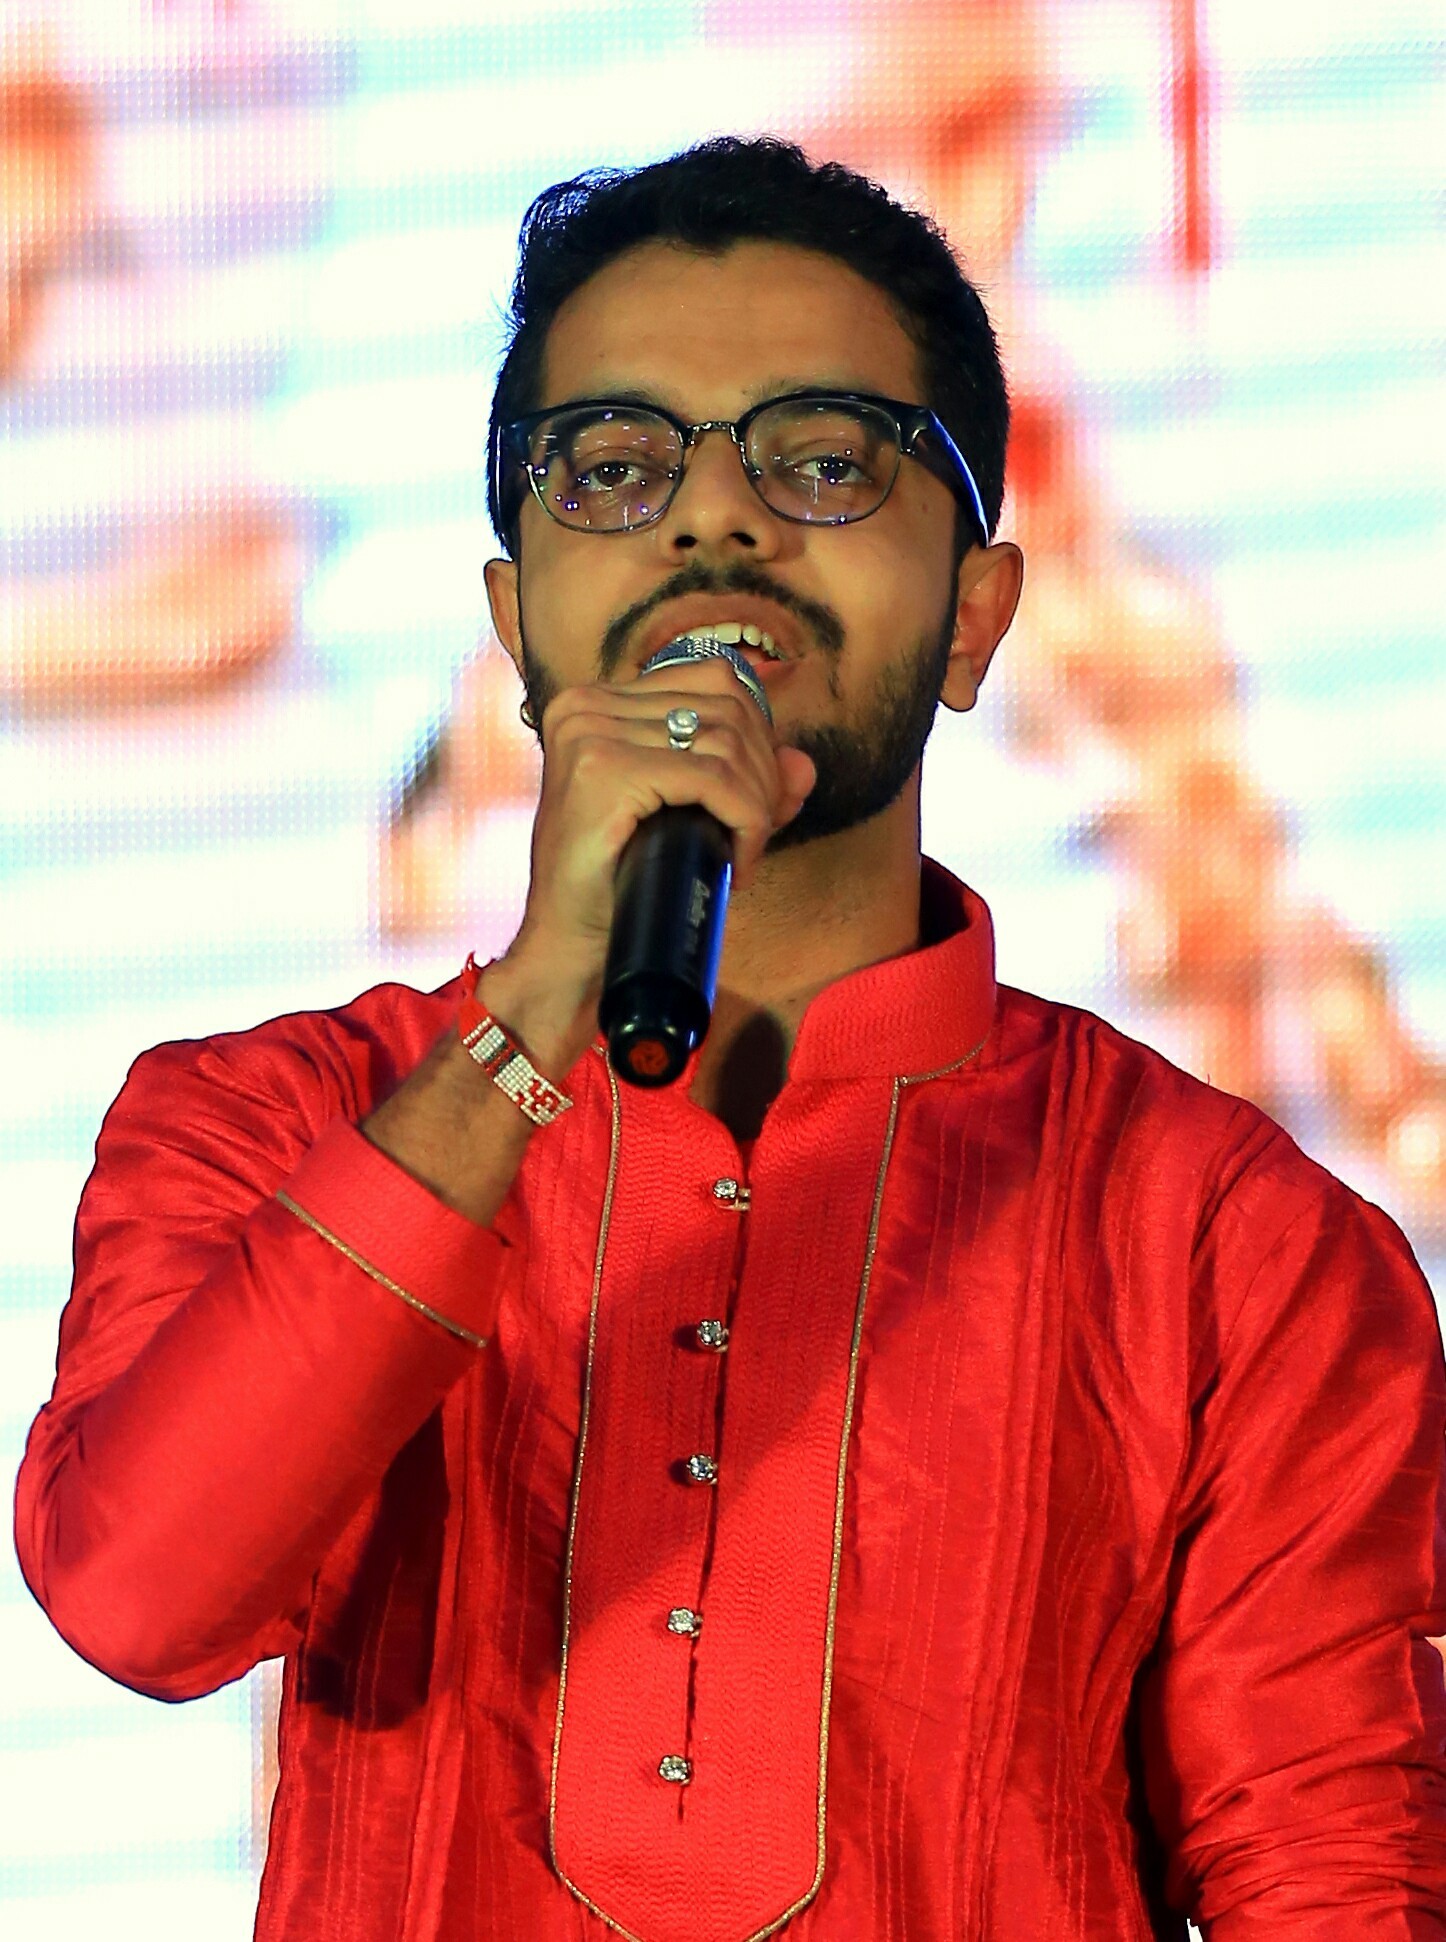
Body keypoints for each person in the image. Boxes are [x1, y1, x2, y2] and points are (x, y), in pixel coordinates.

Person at [14, 139, 1446, 1941]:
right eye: (615, 466)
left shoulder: (1232, 1240)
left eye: (822, 460)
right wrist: (541, 1001)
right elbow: (139, 1594)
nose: (713, 523)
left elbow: (1331, 1880)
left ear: (975, 618)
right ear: (513, 623)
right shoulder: (262, 1119)